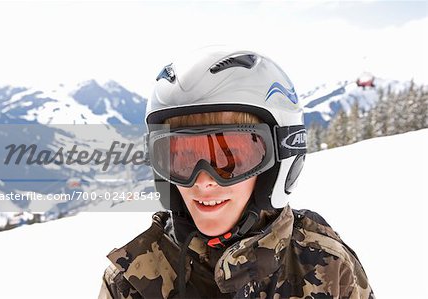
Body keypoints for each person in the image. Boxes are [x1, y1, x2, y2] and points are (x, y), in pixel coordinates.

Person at [98, 48, 374, 299]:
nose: (203, 181)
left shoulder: (328, 270)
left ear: (277, 162)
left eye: (229, 158)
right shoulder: (130, 281)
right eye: (181, 157)